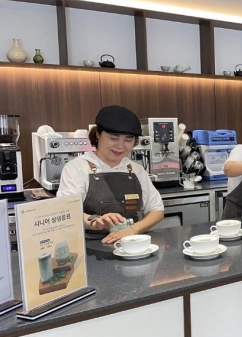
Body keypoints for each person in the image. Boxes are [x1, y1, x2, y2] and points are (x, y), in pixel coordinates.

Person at [57, 105, 164, 244]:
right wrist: (94, 222)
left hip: (130, 244)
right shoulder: (77, 168)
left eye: (128, 140)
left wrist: (132, 230)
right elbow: (67, 212)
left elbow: (157, 210)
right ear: (98, 134)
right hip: (89, 245)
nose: (120, 146)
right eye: (113, 138)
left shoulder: (136, 169)